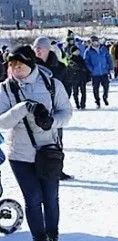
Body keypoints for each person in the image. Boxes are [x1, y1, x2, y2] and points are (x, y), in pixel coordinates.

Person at [0, 45, 73, 241]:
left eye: (20, 66)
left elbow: (66, 112)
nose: (15, 70)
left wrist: (52, 121)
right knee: (33, 199)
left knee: (51, 199)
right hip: (20, 155)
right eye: (12, 66)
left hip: (49, 151)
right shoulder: (5, 89)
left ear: (30, 64)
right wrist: (22, 108)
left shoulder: (52, 84)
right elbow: (1, 122)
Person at [33, 36, 73, 181]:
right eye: (36, 48)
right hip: (35, 110)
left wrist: (61, 101)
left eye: (41, 48)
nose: (38, 50)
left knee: (56, 142)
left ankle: (57, 170)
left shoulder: (59, 67)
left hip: (55, 111)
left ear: (48, 50)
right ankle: (36, 171)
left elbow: (67, 85)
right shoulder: (30, 66)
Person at [84, 36, 113, 108]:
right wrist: (91, 69)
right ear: (91, 42)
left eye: (96, 41)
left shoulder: (103, 49)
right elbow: (86, 62)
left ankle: (105, 97)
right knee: (95, 88)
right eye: (93, 41)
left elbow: (108, 58)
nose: (95, 42)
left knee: (106, 86)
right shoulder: (88, 51)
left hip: (104, 71)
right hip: (95, 73)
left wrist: (110, 67)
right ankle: (97, 101)